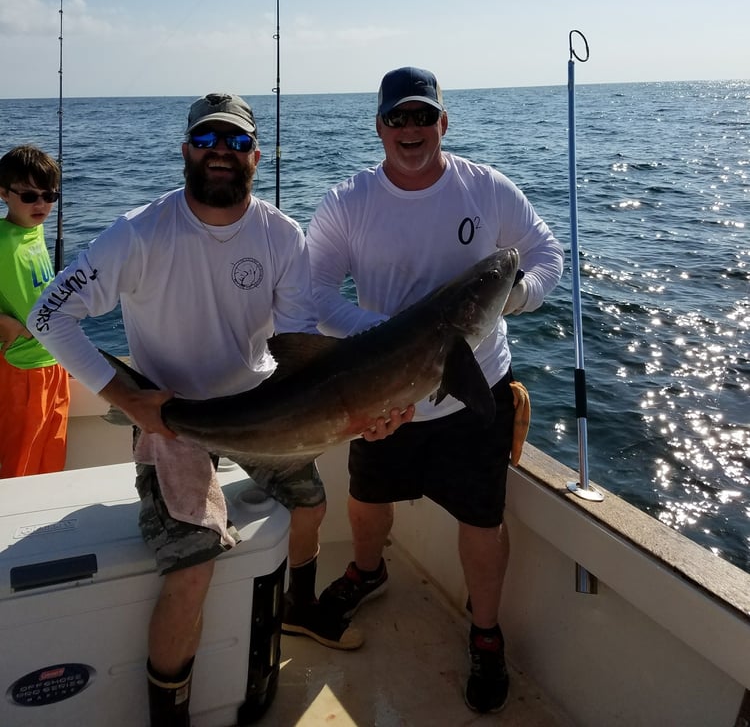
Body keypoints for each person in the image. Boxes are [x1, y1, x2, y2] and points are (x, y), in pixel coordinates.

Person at [28, 92, 403, 727]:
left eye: (234, 142)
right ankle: (168, 713)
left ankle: (297, 609)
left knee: (311, 506)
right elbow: (47, 314)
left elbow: (297, 351)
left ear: (256, 155)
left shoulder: (283, 237)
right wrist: (125, 399)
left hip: (263, 408)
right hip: (173, 419)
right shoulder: (139, 232)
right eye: (206, 141)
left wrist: (362, 409)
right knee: (194, 566)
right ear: (185, 152)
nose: (220, 153)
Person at [306, 67, 564, 716]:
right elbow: (311, 295)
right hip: (382, 391)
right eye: (399, 118)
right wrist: (388, 337)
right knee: (364, 499)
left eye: (424, 117)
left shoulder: (487, 189)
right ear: (380, 127)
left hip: (476, 389)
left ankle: (485, 630)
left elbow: (544, 255)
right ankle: (369, 569)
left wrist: (517, 298)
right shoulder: (348, 201)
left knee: (482, 519)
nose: (411, 130)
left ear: (443, 123)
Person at [0, 144, 70, 477]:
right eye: (29, 197)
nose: (41, 204)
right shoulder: (2, 242)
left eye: (49, 195)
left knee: (51, 458)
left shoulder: (35, 229)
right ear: (3, 193)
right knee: (20, 462)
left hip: (54, 361)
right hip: (21, 369)